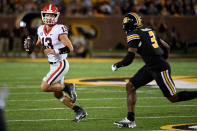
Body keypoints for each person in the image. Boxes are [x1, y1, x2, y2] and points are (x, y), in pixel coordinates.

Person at [111, 12, 197, 128]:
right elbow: (166, 46)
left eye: (125, 22)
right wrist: (164, 57)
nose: (124, 25)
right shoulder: (148, 31)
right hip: (151, 66)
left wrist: (118, 65)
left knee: (173, 98)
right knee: (130, 86)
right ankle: (130, 119)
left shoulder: (133, 34)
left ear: (130, 24)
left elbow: (130, 58)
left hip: (159, 67)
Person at [24, 4, 87, 122]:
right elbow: (39, 45)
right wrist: (31, 47)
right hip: (52, 64)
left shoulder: (59, 29)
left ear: (56, 16)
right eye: (47, 15)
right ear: (43, 16)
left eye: (51, 15)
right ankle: (79, 110)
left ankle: (68, 86)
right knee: (57, 94)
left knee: (44, 87)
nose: (49, 17)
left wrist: (55, 51)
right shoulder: (40, 29)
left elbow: (70, 47)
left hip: (60, 63)